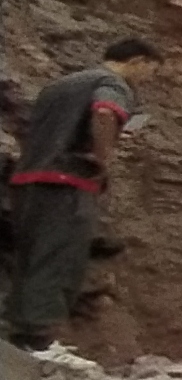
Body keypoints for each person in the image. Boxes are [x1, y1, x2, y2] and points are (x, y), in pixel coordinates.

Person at [9, 36, 160, 352]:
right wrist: (103, 159)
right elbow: (104, 113)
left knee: (32, 258)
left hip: (28, 181)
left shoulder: (59, 86)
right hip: (66, 184)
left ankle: (19, 335)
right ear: (138, 62)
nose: (148, 80)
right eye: (151, 71)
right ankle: (37, 340)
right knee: (60, 259)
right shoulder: (112, 83)